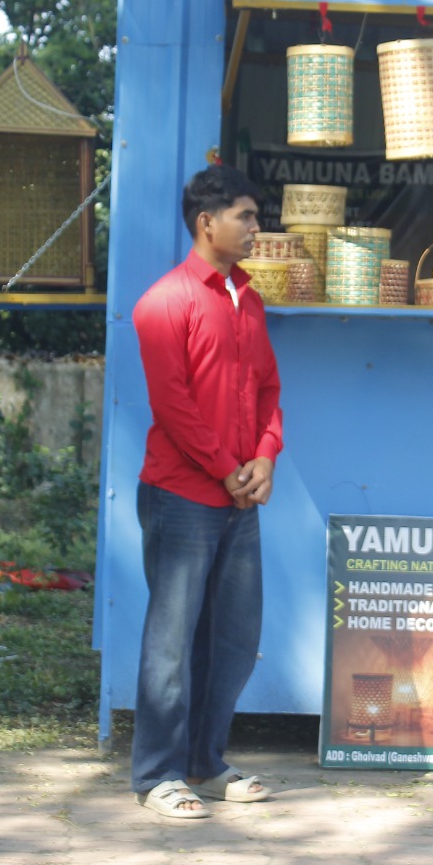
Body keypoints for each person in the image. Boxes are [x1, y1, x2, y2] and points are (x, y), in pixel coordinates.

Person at [130, 164, 283, 821]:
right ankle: (156, 775)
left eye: (255, 216)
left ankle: (203, 762)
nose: (255, 228)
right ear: (206, 222)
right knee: (172, 643)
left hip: (239, 497)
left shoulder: (248, 299)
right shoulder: (164, 302)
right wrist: (226, 469)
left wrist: (266, 457)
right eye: (245, 216)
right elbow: (173, 406)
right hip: (182, 496)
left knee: (233, 639)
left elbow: (268, 388)